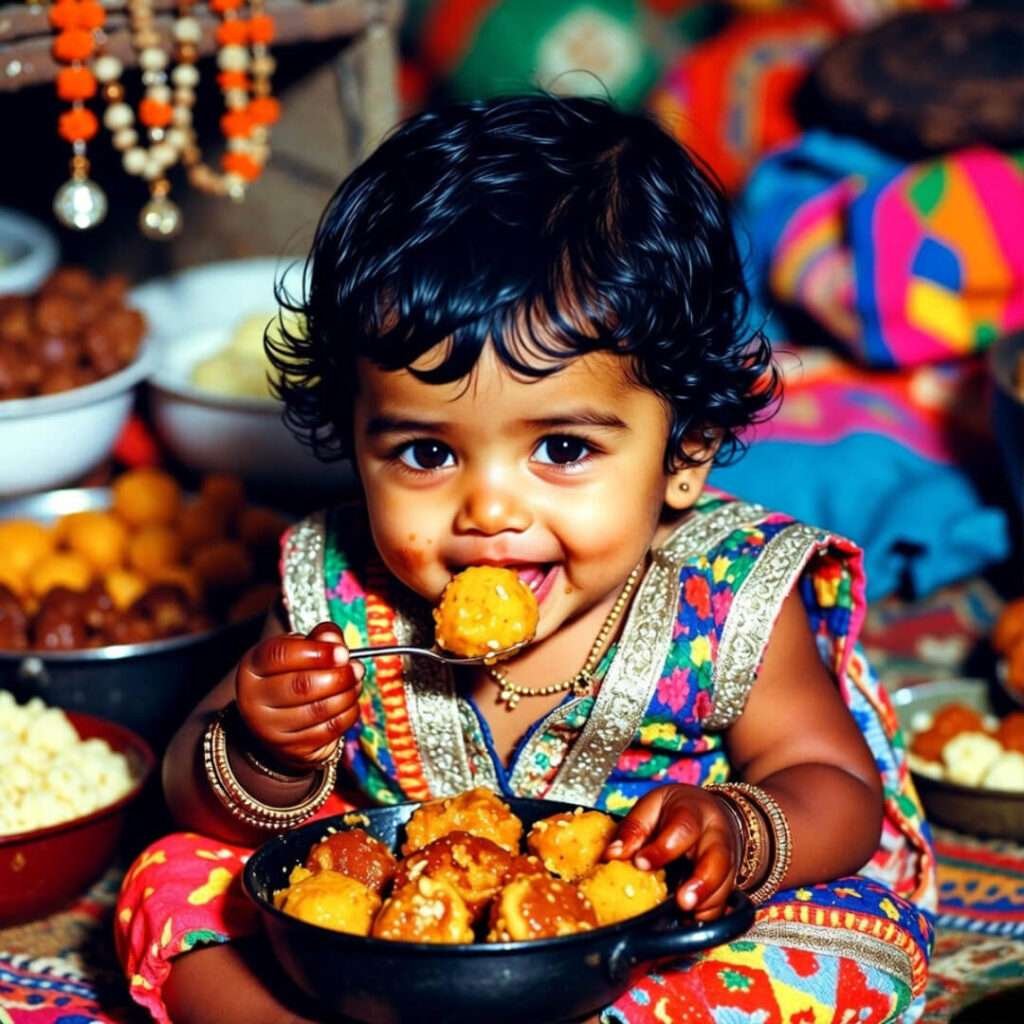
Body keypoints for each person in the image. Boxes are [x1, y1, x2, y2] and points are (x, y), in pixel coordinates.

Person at [115, 95, 935, 1024]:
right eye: (427, 454)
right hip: (389, 939)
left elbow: (837, 789)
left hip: (642, 948)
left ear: (686, 450)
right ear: (355, 435)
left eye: (564, 450)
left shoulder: (726, 590)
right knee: (175, 879)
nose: (491, 512)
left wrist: (739, 832)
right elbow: (198, 798)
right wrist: (264, 750)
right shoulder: (338, 586)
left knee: (859, 942)